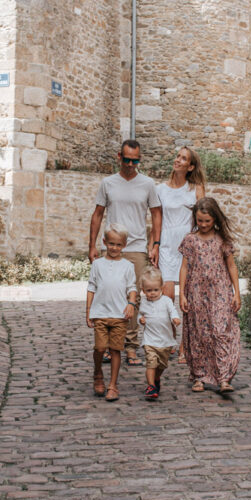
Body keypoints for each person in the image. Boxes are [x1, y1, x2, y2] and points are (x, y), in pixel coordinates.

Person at [88, 139, 162, 367]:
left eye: (135, 160)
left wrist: (155, 244)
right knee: (109, 294)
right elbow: (98, 214)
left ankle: (129, 346)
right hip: (111, 246)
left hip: (137, 247)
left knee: (134, 298)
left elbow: (157, 214)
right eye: (127, 159)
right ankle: (112, 345)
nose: (131, 164)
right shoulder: (108, 183)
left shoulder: (147, 184)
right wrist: (92, 245)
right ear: (119, 157)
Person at [178, 196, 241, 394]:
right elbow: (184, 267)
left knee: (221, 331)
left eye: (207, 221)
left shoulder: (223, 240)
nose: (203, 224)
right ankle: (199, 376)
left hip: (220, 291)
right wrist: (181, 294)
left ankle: (223, 377)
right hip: (196, 292)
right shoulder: (190, 239)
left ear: (215, 219)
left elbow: (231, 266)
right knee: (198, 333)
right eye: (200, 220)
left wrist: (237, 292)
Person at [154, 146, 206, 362]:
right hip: (166, 245)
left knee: (188, 299)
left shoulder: (196, 188)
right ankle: (171, 341)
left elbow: (203, 218)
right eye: (177, 156)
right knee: (166, 298)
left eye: (183, 158)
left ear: (190, 166)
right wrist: (153, 245)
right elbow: (156, 220)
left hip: (187, 247)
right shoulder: (160, 189)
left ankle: (186, 345)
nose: (177, 160)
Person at [86, 224, 138, 402]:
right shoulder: (98, 264)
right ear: (104, 242)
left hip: (119, 315)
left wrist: (131, 303)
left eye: (118, 245)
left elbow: (132, 287)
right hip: (100, 313)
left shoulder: (127, 266)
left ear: (124, 245)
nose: (114, 248)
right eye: (111, 244)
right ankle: (98, 372)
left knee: (116, 349)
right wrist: (88, 311)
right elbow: (91, 287)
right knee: (100, 348)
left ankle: (113, 385)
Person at [138, 267, 180, 401]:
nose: (152, 293)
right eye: (149, 290)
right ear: (143, 290)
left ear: (161, 288)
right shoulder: (143, 302)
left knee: (162, 365)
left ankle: (156, 378)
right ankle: (151, 386)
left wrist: (175, 318)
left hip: (165, 340)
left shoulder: (166, 301)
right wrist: (141, 319)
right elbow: (140, 314)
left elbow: (172, 310)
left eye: (155, 290)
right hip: (150, 340)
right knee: (151, 362)